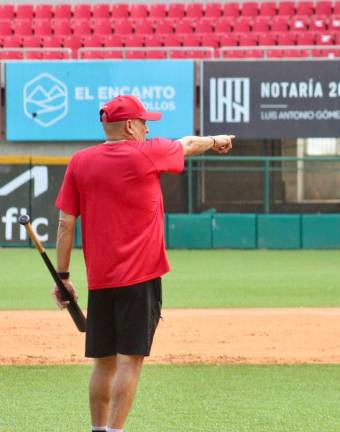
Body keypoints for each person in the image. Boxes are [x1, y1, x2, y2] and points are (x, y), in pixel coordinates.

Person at [53, 95, 235, 432]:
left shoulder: (79, 162)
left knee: (103, 363)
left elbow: (66, 224)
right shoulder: (147, 153)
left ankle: (97, 430)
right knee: (130, 362)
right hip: (140, 279)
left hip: (100, 280)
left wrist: (62, 277)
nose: (148, 128)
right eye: (144, 122)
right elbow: (188, 144)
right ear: (129, 125)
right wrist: (217, 139)